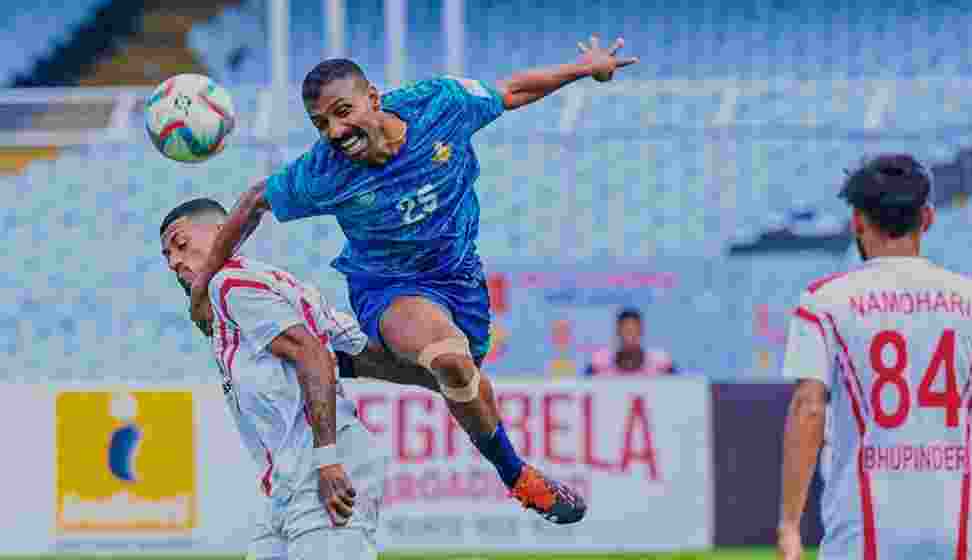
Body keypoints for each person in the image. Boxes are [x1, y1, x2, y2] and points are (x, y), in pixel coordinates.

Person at [187, 34, 638, 524]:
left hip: (459, 277)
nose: (336, 131)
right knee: (448, 361)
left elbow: (511, 92)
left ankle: (347, 362)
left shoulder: (439, 104)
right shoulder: (323, 173)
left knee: (463, 373)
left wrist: (583, 69)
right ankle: (518, 478)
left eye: (343, 111)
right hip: (387, 286)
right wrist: (204, 284)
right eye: (321, 124)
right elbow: (255, 201)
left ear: (374, 98)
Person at [775, 154, 972, 560]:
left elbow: (808, 409)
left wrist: (790, 525)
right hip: (961, 534)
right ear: (927, 218)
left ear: (857, 221)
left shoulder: (823, 303)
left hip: (863, 533)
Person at [161, 198, 408, 560]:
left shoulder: (229, 285)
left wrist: (328, 459)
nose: (174, 261)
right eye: (167, 256)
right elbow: (350, 347)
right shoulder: (261, 285)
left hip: (321, 469)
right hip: (285, 485)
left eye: (180, 245)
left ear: (222, 232)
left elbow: (314, 354)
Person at [584, 307, 676, 376]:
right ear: (618, 331)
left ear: (641, 331)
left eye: (633, 329)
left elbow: (680, 387)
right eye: (626, 330)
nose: (630, 334)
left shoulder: (660, 361)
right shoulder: (600, 362)